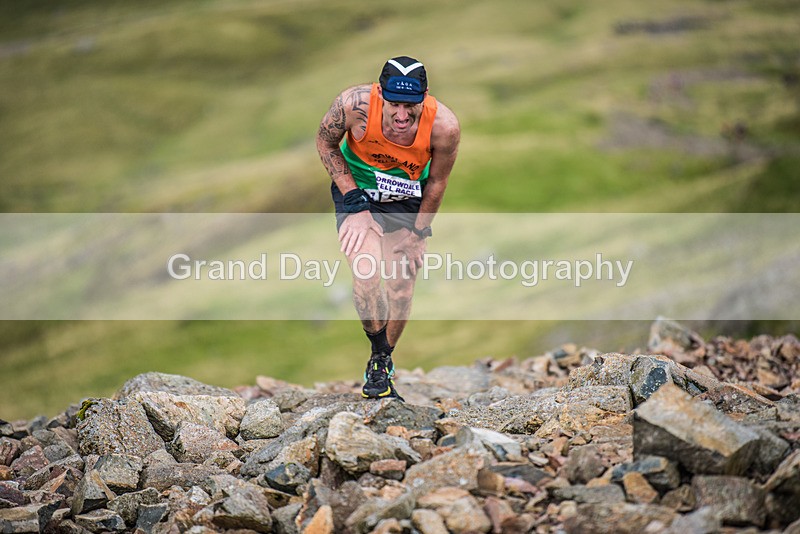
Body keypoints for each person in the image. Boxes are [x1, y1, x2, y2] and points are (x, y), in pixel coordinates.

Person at [315, 55, 460, 400]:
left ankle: (381, 362)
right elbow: (325, 142)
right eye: (394, 103)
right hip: (359, 190)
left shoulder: (444, 127)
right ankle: (378, 349)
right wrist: (354, 202)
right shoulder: (353, 105)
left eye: (411, 106)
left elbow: (438, 181)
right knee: (366, 276)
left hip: (408, 197)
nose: (401, 115)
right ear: (380, 94)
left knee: (400, 289)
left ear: (425, 98)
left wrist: (419, 234)